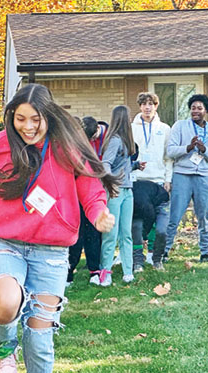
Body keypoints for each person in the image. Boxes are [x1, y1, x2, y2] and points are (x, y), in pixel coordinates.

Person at [0, 83, 117, 373]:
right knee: (5, 302)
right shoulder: (1, 143)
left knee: (40, 341)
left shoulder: (66, 146)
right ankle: (5, 347)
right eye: (19, 118)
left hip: (52, 252)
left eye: (35, 120)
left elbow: (90, 185)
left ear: (48, 116)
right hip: (6, 240)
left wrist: (98, 211)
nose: (27, 126)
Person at [165, 94, 208, 262]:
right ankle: (164, 251)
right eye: (193, 108)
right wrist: (188, 147)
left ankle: (205, 252)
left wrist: (204, 150)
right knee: (174, 215)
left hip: (203, 177)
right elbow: (170, 151)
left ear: (206, 111)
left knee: (204, 215)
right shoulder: (180, 126)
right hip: (182, 175)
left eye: (199, 108)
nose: (195, 111)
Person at [99, 105, 145, 286]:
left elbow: (119, 165)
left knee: (126, 233)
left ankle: (128, 270)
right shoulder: (115, 140)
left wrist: (135, 166)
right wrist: (111, 184)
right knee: (111, 234)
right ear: (123, 120)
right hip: (116, 191)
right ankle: (106, 272)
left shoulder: (125, 142)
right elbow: (105, 164)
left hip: (128, 191)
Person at [131, 92, 172, 271]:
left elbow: (169, 157)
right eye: (144, 104)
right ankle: (137, 259)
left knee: (160, 223)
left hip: (158, 181)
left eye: (151, 104)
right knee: (138, 223)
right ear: (140, 106)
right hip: (138, 181)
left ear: (156, 106)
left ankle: (155, 258)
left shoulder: (164, 128)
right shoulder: (131, 128)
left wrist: (168, 179)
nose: (147, 107)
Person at [66, 116, 107, 286]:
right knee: (75, 235)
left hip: (91, 192)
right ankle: (68, 271)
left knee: (92, 234)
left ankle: (94, 270)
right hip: (72, 195)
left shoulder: (103, 139)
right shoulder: (70, 145)